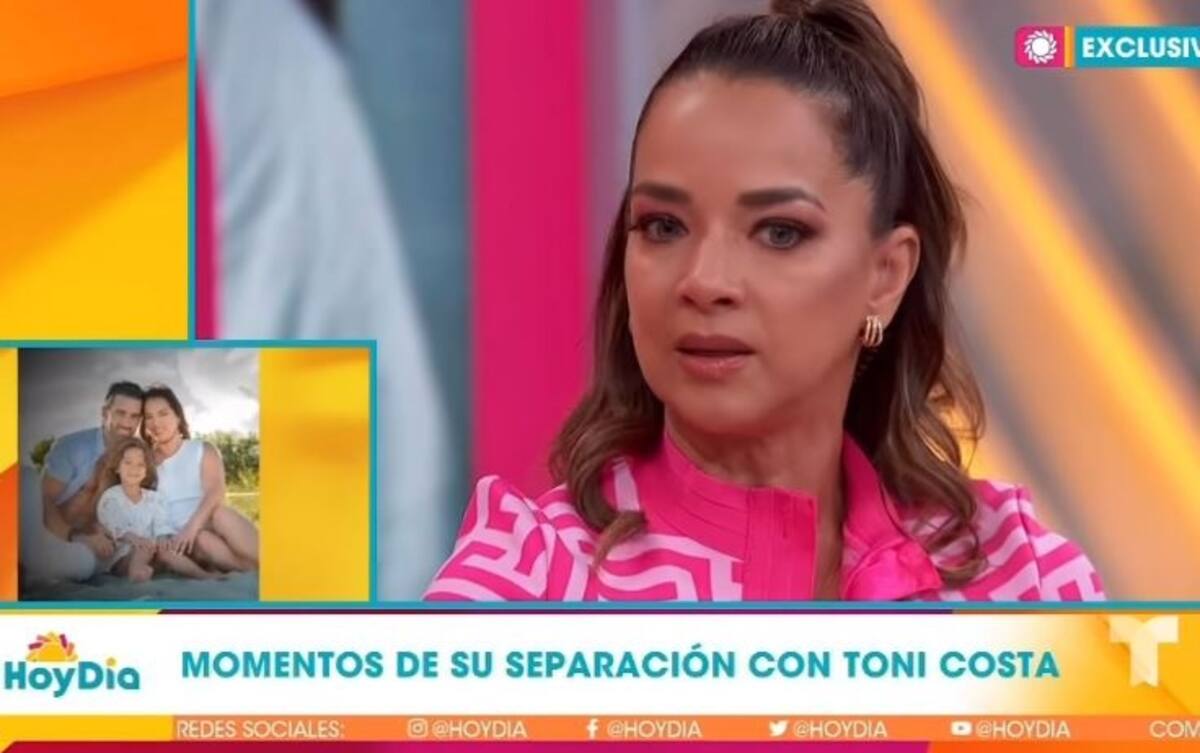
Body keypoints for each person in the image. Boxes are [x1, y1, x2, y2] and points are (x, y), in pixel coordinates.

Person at [426, 0, 1103, 602]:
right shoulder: (527, 583)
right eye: (663, 226)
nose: (704, 280)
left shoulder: (1021, 582)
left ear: (886, 274)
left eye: (780, 232)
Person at [20, 381, 145, 584]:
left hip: (81, 547)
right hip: (46, 534)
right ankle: (29, 562)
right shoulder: (73, 446)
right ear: (105, 413)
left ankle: (35, 568)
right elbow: (45, 501)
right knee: (26, 477)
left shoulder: (135, 460)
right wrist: (77, 535)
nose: (127, 423)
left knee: (87, 564)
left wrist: (101, 534)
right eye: (120, 413)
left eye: (134, 416)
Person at [140, 385, 259, 573]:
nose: (156, 423)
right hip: (183, 541)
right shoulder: (143, 462)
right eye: (149, 417)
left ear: (178, 417)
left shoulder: (202, 449)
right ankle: (253, 570)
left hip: (208, 521)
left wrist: (191, 528)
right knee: (203, 540)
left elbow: (215, 492)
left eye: (163, 414)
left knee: (222, 515)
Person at [95, 437, 215, 582]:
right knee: (144, 548)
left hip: (151, 551)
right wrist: (135, 539)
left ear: (146, 470)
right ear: (117, 468)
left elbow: (161, 523)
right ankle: (136, 571)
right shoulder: (111, 497)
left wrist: (162, 538)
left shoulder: (154, 498)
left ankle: (202, 575)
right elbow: (115, 525)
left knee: (166, 550)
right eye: (128, 463)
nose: (134, 468)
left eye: (140, 464)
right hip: (123, 558)